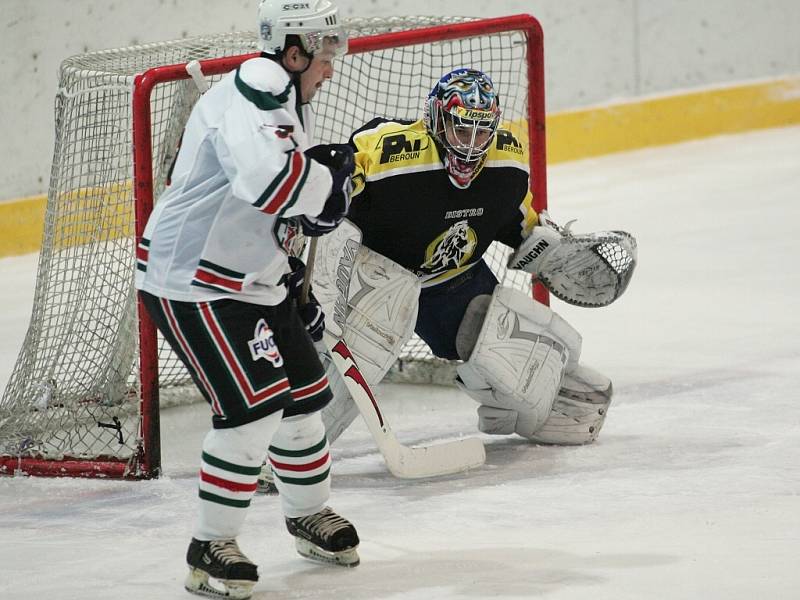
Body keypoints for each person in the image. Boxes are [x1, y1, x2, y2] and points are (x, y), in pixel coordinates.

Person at [135, 1, 360, 598]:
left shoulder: (280, 97)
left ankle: (308, 514)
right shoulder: (261, 85)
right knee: (252, 411)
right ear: (294, 51)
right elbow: (268, 184)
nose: (330, 69)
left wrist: (287, 274)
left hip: (249, 281)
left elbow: (262, 205)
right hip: (194, 283)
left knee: (305, 401)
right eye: (325, 54)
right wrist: (325, 187)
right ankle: (210, 547)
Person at [306, 67, 637, 457]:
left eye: (482, 132)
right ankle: (290, 451)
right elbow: (325, 187)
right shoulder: (391, 153)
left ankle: (543, 399)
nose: (471, 145)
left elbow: (518, 222)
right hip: (376, 278)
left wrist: (550, 252)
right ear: (436, 120)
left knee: (506, 345)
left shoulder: (506, 166)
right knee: (353, 362)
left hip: (453, 282)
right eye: (461, 129)